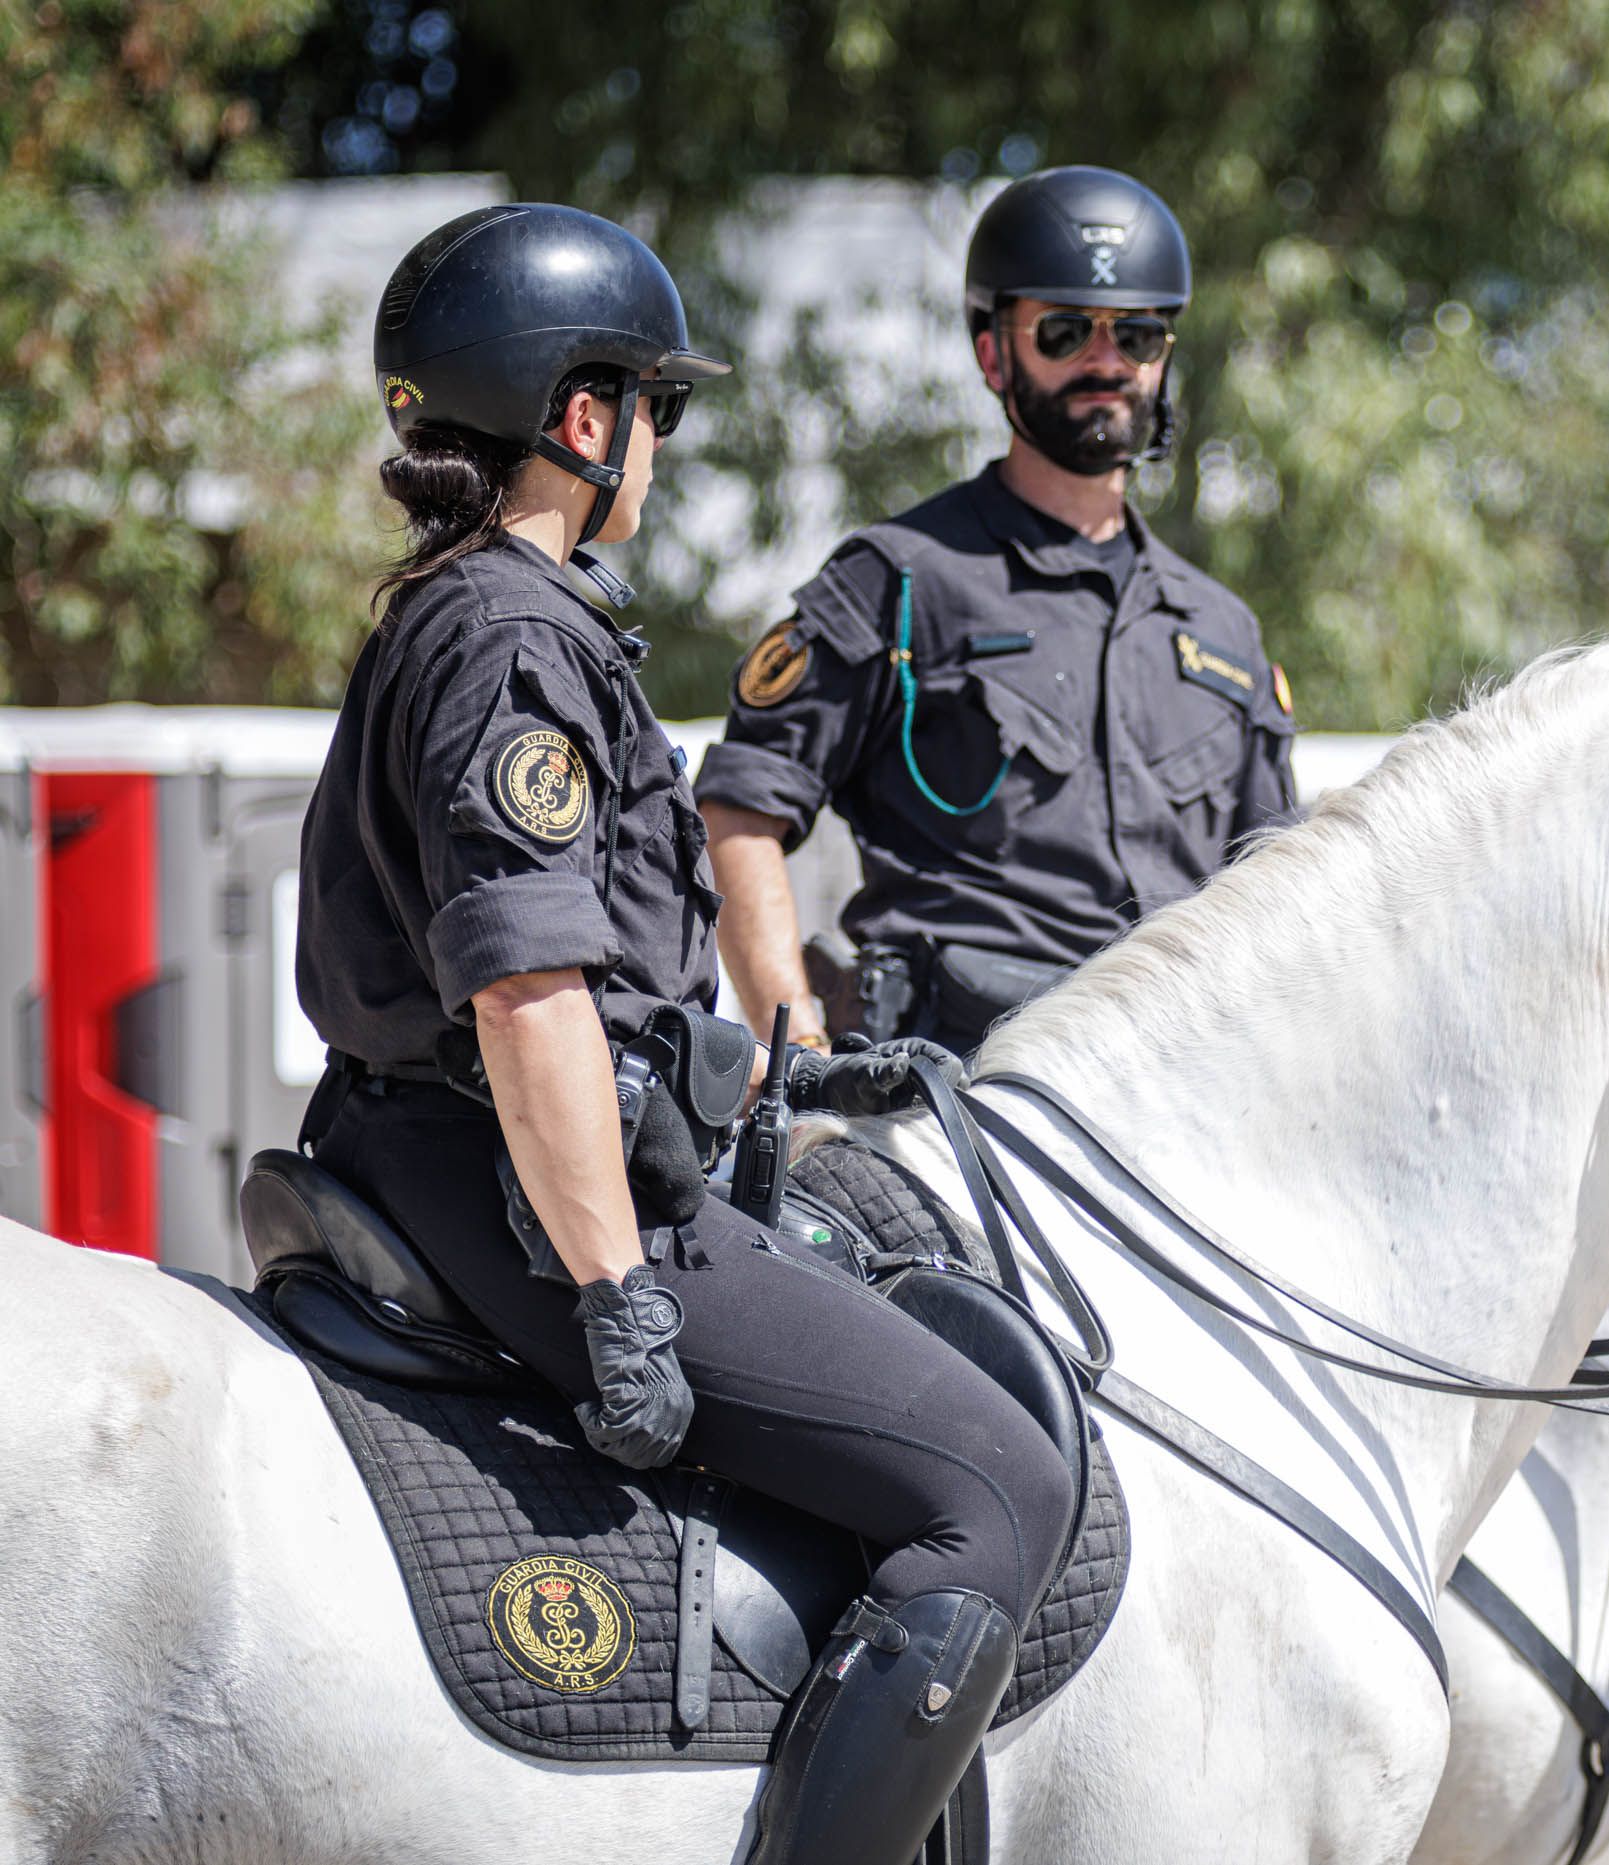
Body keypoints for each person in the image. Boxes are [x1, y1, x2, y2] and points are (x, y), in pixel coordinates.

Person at [293, 203, 1075, 1865]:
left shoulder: (459, 605)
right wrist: (614, 1287)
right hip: (518, 1180)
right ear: (586, 420)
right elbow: (528, 993)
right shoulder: (513, 633)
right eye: (660, 403)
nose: (663, 441)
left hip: (450, 1139)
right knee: (996, 1491)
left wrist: (768, 1071)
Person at [697, 164, 1298, 1056]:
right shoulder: (899, 579)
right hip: (950, 1101)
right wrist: (798, 1050)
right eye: (1064, 332)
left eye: (1136, 334)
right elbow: (741, 812)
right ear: (993, 355)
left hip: (1174, 1107)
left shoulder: (1222, 632)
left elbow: (1283, 900)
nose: (1107, 362)